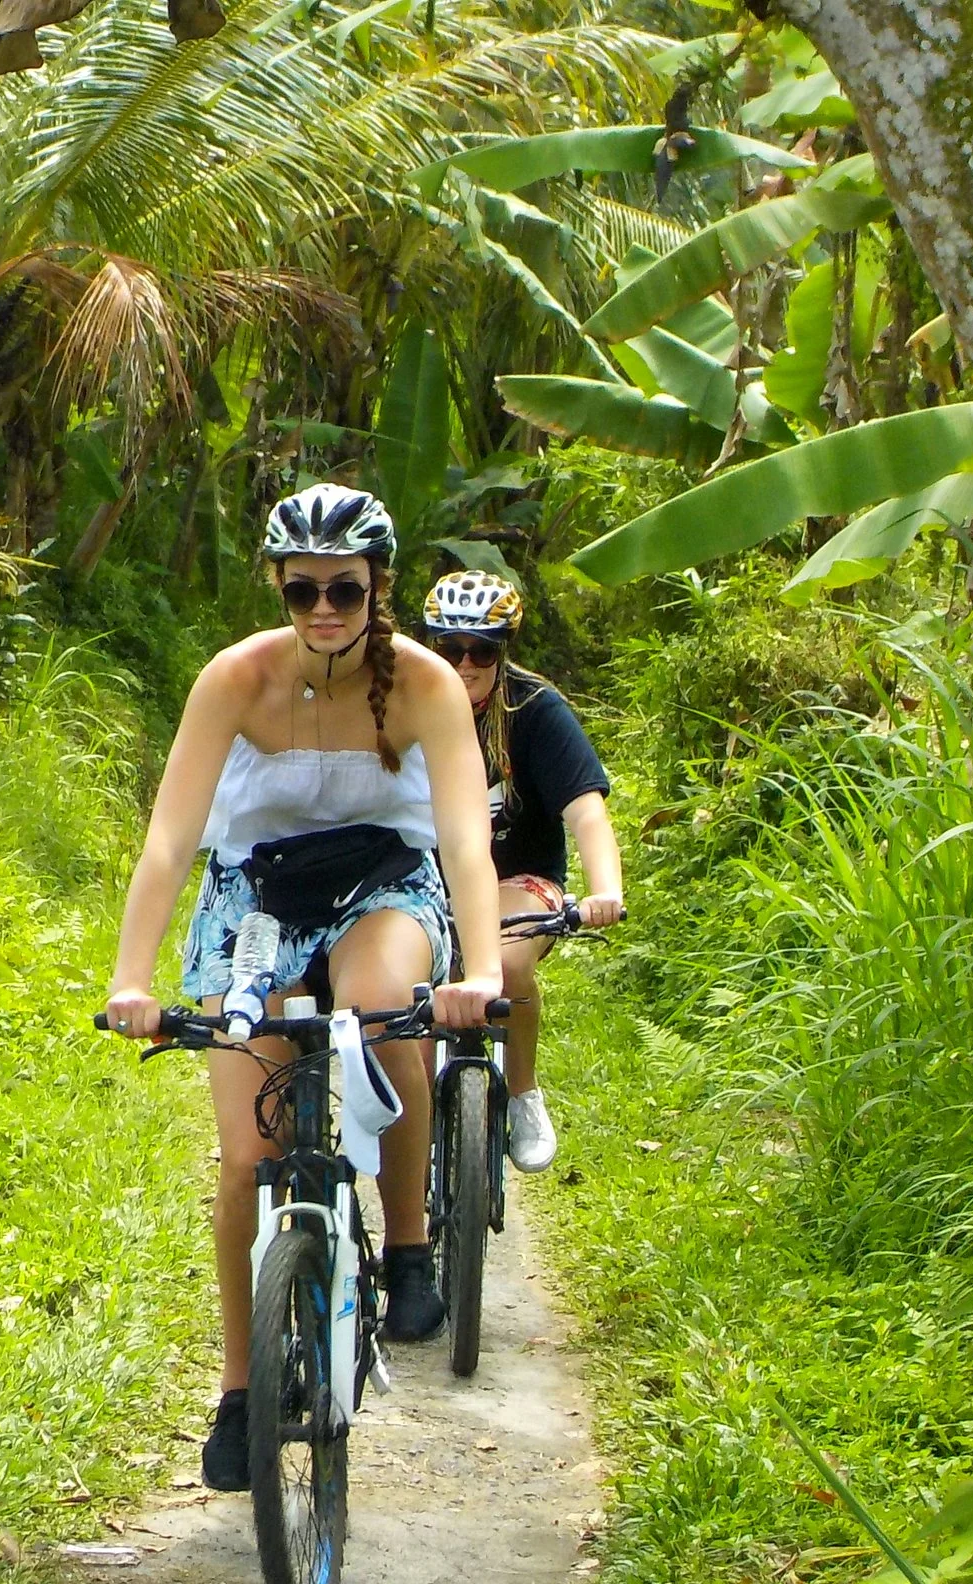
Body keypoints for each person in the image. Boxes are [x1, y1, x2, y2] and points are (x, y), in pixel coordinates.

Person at [103, 485, 503, 1493]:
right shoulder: (234, 680)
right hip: (256, 896)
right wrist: (131, 978)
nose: (323, 609)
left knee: (379, 1012)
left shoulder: (423, 683)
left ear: (379, 587)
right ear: (277, 589)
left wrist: (485, 970)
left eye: (344, 589)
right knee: (247, 1159)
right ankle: (240, 1389)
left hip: (383, 881)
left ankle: (408, 1245)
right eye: (301, 590)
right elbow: (167, 838)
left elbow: (461, 839)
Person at [417, 569, 622, 1173]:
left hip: (518, 882)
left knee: (504, 964)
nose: (465, 664)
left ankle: (524, 1093)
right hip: (422, 881)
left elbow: (586, 812)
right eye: (450, 649)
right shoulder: (399, 701)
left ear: (503, 651)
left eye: (482, 650)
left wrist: (605, 890)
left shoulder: (534, 708)